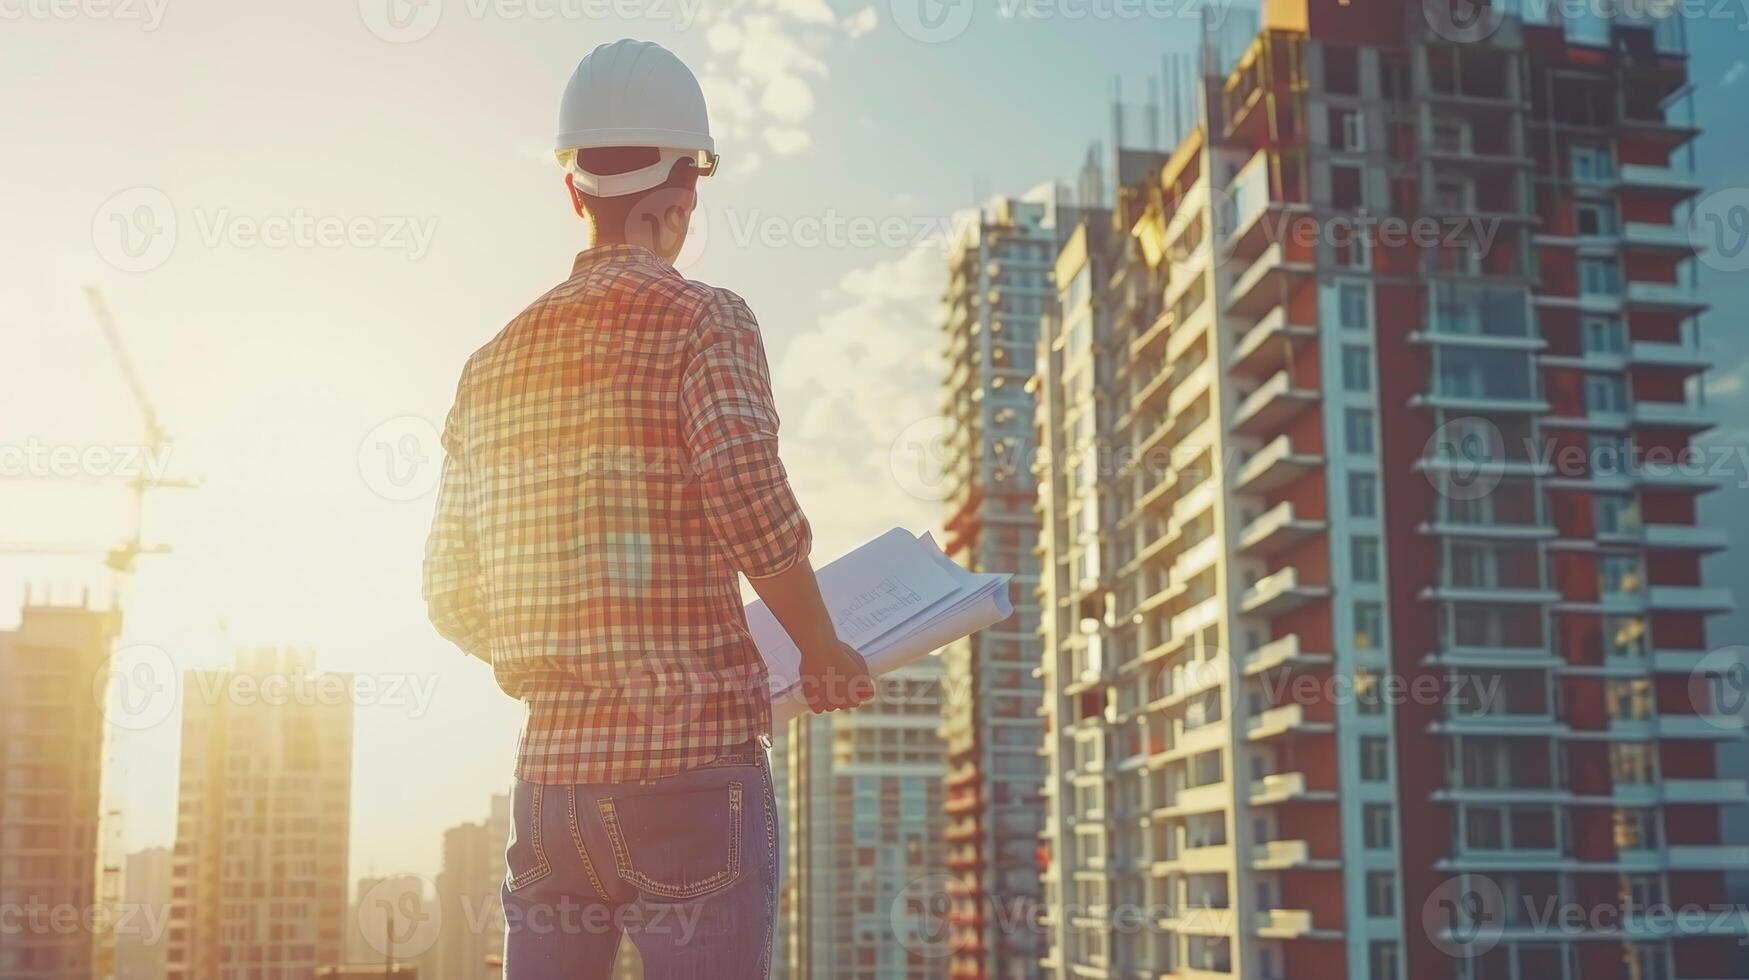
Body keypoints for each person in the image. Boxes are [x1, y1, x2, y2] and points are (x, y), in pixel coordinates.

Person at [422, 38, 873, 980]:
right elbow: (749, 502)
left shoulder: (491, 364)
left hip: (552, 792)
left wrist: (551, 659)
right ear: (688, 191)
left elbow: (447, 591)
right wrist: (822, 649)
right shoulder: (706, 319)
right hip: (690, 783)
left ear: (573, 192)